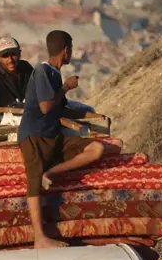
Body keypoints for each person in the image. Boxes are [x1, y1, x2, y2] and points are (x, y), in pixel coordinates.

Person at [19, 30, 107, 248]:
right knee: (33, 181)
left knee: (96, 149)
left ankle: (52, 173)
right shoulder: (42, 71)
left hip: (54, 136)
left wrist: (94, 117)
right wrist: (66, 87)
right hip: (35, 135)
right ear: (66, 50)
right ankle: (40, 237)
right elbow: (46, 106)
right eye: (72, 47)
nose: (72, 52)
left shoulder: (54, 75)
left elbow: (61, 109)